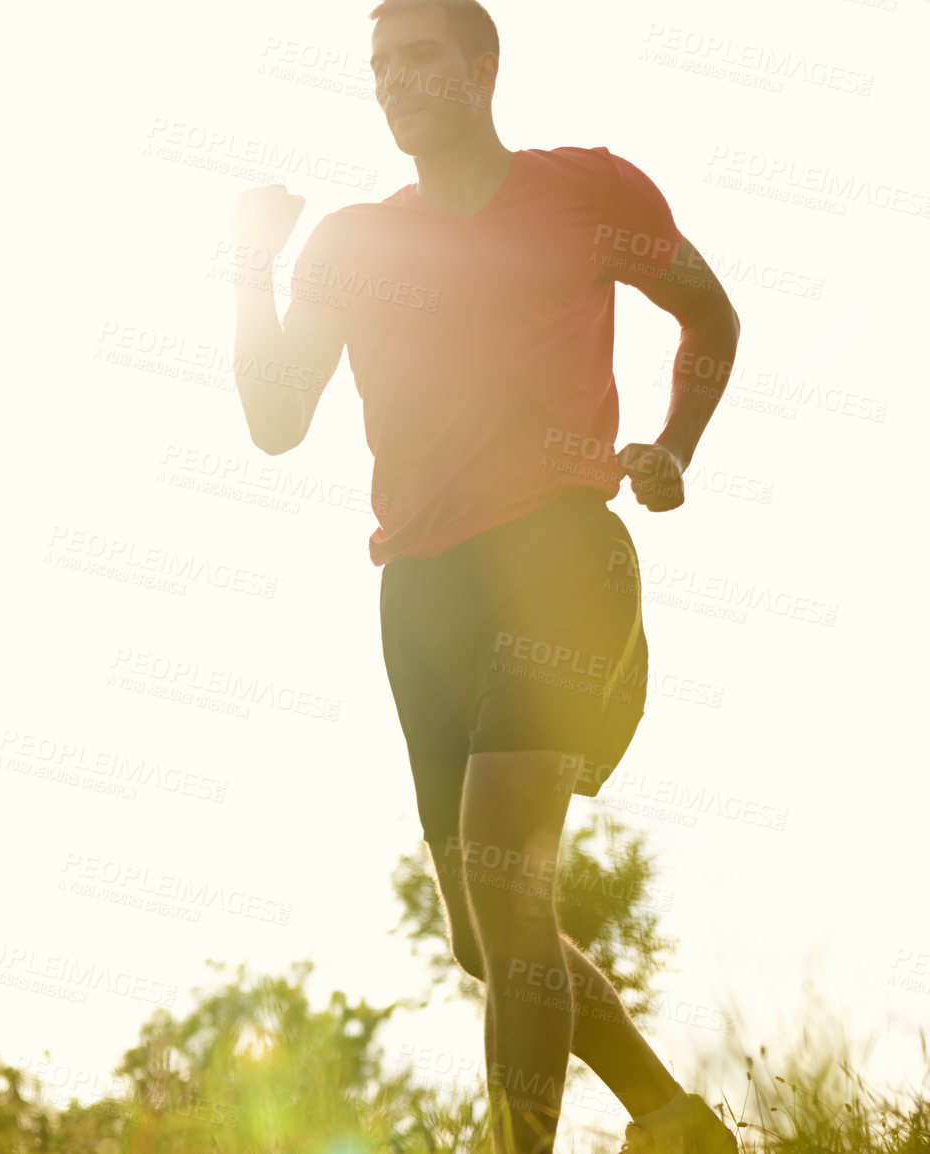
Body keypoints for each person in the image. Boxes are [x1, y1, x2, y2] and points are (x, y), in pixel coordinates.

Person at [227, 2, 743, 1151]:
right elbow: (273, 417)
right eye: (378, 66)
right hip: (418, 592)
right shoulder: (357, 245)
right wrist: (247, 264)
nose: (395, 81)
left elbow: (708, 313)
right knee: (483, 934)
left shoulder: (587, 193)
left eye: (420, 58)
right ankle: (670, 1116)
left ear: (482, 68)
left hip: (557, 556)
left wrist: (674, 446)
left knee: (512, 887)